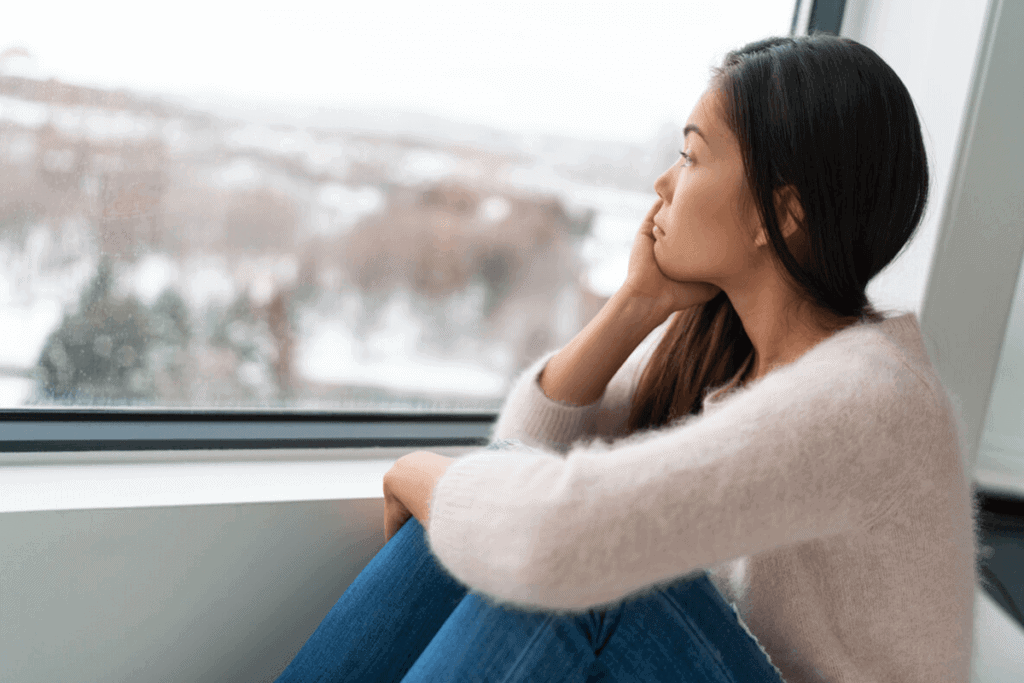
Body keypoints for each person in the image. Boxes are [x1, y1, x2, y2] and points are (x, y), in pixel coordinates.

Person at [275, 32, 978, 683]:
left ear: (781, 214)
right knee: (477, 524)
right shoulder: (740, 357)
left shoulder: (870, 398)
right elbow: (525, 446)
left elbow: (552, 534)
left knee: (576, 568)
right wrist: (637, 302)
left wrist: (420, 473)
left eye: (693, 155)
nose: (663, 185)